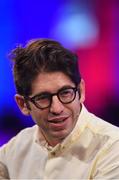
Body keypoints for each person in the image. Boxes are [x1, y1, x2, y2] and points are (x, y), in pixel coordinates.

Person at [0, 38, 119, 179]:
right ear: (23, 104)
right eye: (43, 97)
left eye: (65, 93)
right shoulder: (15, 149)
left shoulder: (112, 147)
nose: (57, 108)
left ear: (81, 91)